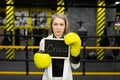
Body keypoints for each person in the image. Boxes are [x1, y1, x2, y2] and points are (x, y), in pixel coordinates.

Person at [34, 13, 82, 80]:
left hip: (66, 78)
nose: (58, 28)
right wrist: (40, 61)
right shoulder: (44, 41)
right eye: (55, 24)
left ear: (65, 26)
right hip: (48, 78)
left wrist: (75, 51)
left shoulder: (71, 42)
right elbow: (42, 65)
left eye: (61, 24)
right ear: (52, 26)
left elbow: (75, 66)